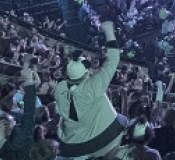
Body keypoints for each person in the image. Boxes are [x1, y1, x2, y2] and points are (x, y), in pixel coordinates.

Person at [54, 21, 127, 159]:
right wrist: (109, 31)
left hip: (75, 143)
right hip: (100, 139)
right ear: (86, 72)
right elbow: (113, 59)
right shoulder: (93, 85)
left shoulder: (60, 88)